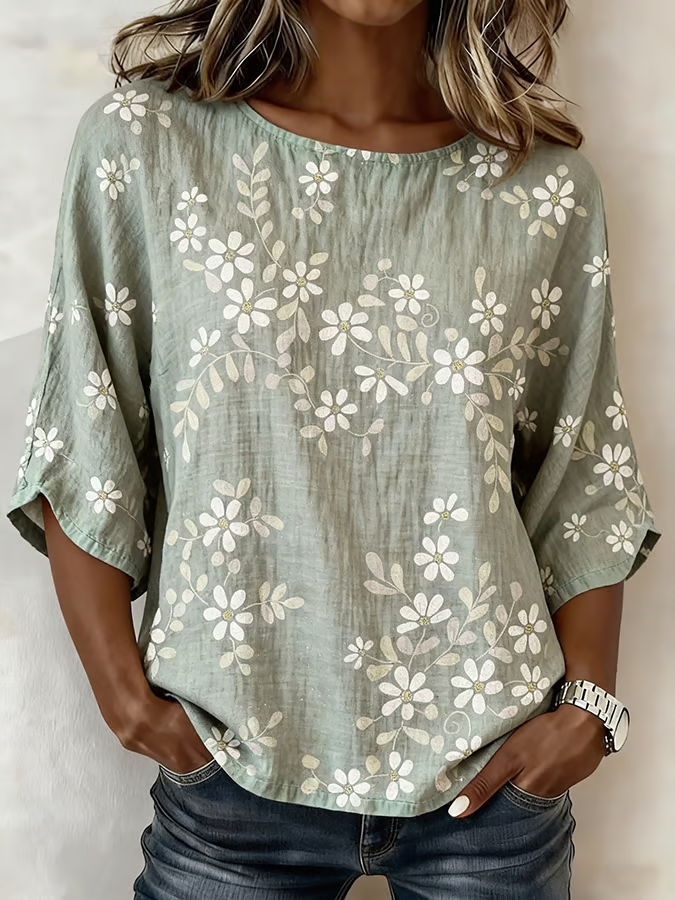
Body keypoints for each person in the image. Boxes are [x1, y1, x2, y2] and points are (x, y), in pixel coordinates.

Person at [5, 1, 662, 898]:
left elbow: (581, 474)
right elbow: (88, 432)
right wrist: (125, 702)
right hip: (232, 777)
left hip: (492, 779)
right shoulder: (147, 147)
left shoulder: (541, 187)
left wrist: (587, 711)